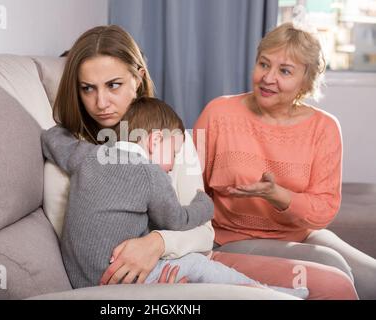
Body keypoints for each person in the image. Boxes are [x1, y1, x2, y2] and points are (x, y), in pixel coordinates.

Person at [52, 24, 358, 299]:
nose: (101, 103)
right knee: (330, 283)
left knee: (335, 276)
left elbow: (203, 230)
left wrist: (158, 243)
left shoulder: (172, 142)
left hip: (186, 257)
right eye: (87, 88)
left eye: (114, 85)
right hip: (149, 275)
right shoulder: (78, 150)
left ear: (138, 79)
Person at [42, 96, 309, 298]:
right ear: (155, 141)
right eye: (175, 151)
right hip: (118, 278)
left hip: (79, 281)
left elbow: (51, 139)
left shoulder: (88, 156)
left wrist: (66, 125)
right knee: (197, 266)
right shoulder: (150, 173)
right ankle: (269, 294)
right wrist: (204, 203)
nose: (172, 164)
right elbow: (177, 220)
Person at [193, 22, 374, 299]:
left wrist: (279, 196)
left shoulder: (323, 128)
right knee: (333, 269)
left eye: (285, 71)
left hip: (300, 234)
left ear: (306, 81)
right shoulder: (219, 113)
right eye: (264, 64)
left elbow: (324, 209)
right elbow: (190, 189)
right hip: (231, 238)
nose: (268, 77)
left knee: (371, 278)